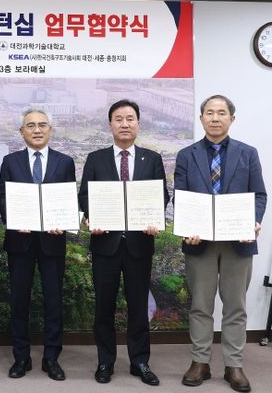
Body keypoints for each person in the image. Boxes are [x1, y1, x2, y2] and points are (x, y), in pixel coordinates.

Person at [175, 94, 266, 393]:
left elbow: (259, 194)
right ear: (201, 118)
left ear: (232, 118)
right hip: (199, 242)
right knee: (200, 305)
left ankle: (233, 365)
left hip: (237, 242)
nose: (215, 118)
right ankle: (200, 362)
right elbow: (180, 196)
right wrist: (187, 227)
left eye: (221, 113)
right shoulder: (186, 155)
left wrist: (253, 222)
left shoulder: (248, 153)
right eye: (210, 113)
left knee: (235, 307)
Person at [78, 99, 168, 386]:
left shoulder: (152, 159)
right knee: (103, 306)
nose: (125, 124)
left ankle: (140, 361)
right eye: (119, 119)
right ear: (110, 125)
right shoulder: (96, 158)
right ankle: (105, 361)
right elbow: (84, 196)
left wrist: (155, 218)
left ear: (138, 123)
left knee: (138, 307)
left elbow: (161, 196)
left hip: (139, 244)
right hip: (105, 244)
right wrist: (91, 217)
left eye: (130, 119)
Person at [0, 109, 76, 380]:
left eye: (42, 125)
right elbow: (2, 196)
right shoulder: (10, 161)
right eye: (30, 126)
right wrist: (13, 218)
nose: (37, 130)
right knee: (19, 301)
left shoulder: (65, 162)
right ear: (22, 132)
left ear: (50, 130)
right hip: (20, 242)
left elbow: (68, 198)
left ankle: (51, 358)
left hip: (52, 241)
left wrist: (63, 221)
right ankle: (21, 357)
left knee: (53, 302)